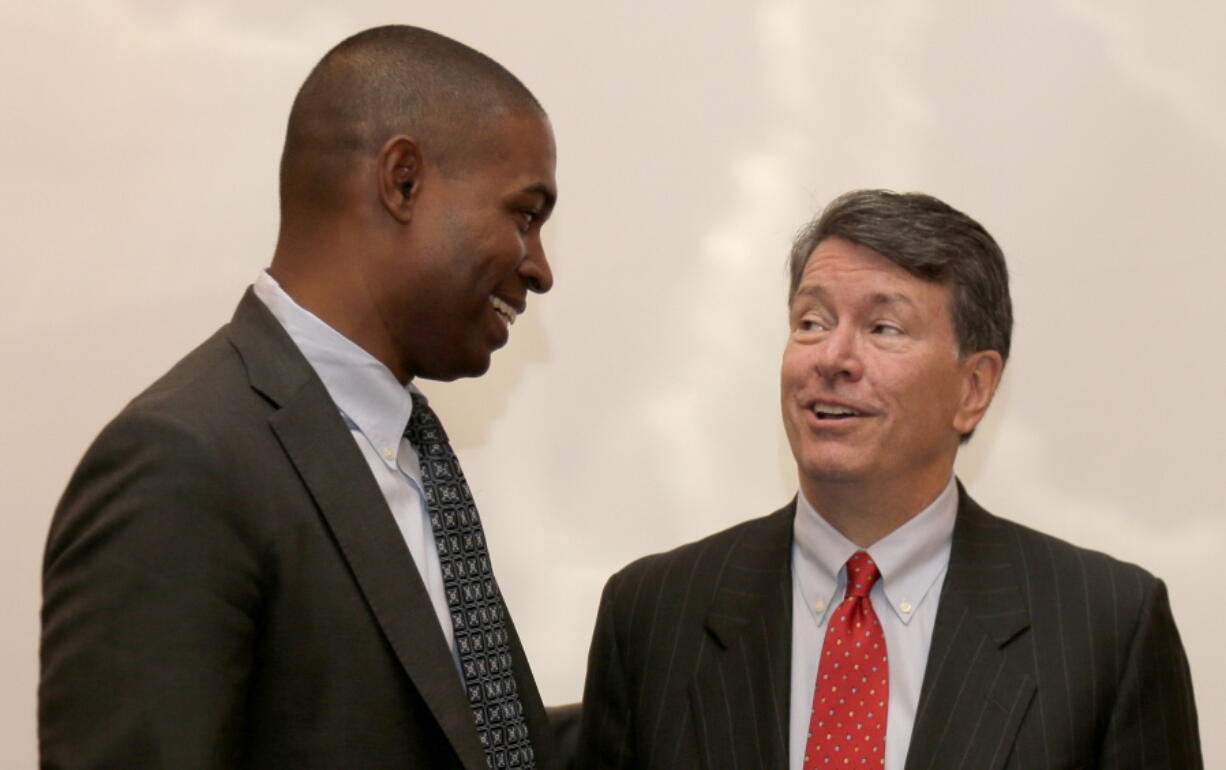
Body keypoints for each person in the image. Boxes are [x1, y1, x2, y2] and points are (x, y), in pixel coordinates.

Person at [41, 25, 560, 769]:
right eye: (525, 214)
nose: (540, 269)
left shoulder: (414, 456)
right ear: (403, 180)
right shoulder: (181, 465)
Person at [577, 189, 1201, 769]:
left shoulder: (1105, 629)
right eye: (812, 322)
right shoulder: (654, 614)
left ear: (973, 388)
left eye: (883, 329)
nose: (832, 358)